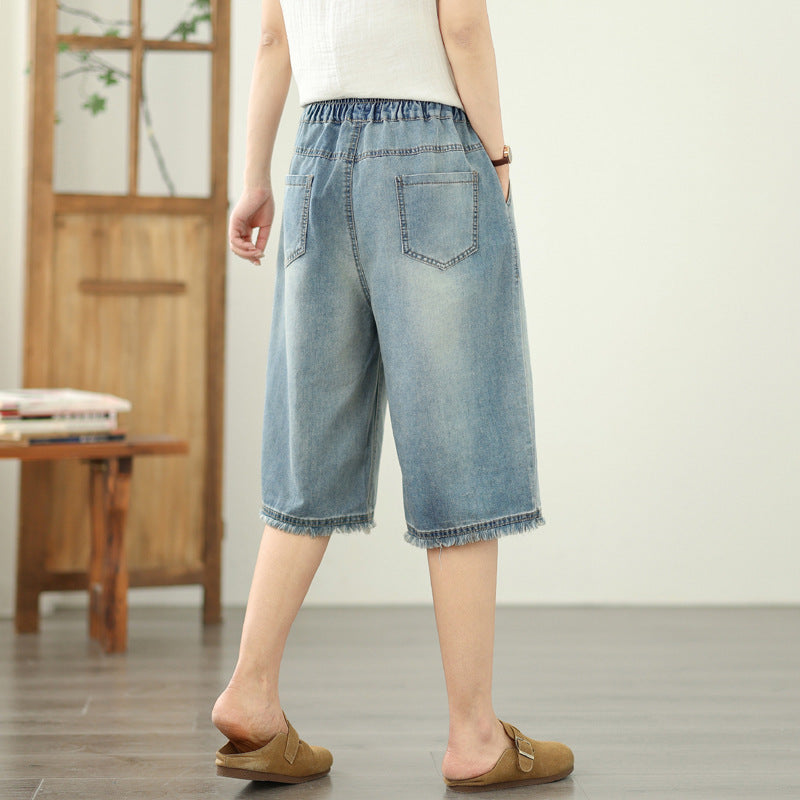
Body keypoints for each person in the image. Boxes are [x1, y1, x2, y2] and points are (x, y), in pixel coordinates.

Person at [212, 0, 574, 791]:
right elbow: (463, 28)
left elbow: (273, 38)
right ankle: (474, 735)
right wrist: (497, 156)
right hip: (431, 149)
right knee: (461, 441)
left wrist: (253, 181)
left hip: (314, 157)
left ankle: (251, 688)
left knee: (310, 441)